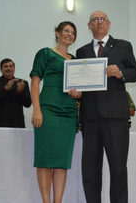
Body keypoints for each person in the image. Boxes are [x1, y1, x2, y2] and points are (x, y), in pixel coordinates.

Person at [74, 11, 136, 203]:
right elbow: (79, 83)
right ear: (89, 26)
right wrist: (76, 93)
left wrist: (121, 72)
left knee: (118, 168)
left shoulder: (123, 45)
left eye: (102, 19)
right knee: (90, 169)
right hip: (90, 116)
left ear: (109, 23)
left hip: (116, 116)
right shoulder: (81, 52)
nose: (99, 22)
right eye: (95, 20)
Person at [30, 21, 81, 203]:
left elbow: (79, 90)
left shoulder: (75, 61)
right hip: (47, 110)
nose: (69, 34)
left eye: (73, 32)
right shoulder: (45, 53)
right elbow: (35, 82)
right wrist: (37, 108)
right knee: (45, 159)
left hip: (68, 115)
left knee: (61, 162)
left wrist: (78, 94)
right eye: (66, 31)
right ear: (57, 33)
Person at [0, 58, 32, 128]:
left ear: (14, 69)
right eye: (5, 66)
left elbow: (28, 104)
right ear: (1, 70)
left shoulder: (22, 83)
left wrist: (20, 92)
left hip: (17, 124)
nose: (8, 68)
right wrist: (5, 89)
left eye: (11, 66)